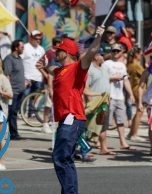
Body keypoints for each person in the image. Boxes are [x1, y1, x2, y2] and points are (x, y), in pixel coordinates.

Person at [51, 26, 104, 194]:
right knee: (64, 158)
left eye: (59, 50)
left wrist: (98, 37)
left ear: (66, 52)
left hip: (72, 117)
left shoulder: (77, 68)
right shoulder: (59, 70)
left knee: (61, 157)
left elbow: (91, 52)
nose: (56, 52)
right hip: (65, 120)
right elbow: (48, 68)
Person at [3, 39, 25, 140]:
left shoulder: (20, 58)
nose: (23, 48)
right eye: (21, 47)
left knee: (14, 112)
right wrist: (8, 90)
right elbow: (7, 74)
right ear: (16, 48)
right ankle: (13, 133)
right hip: (13, 90)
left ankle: (0, 130)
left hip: (20, 90)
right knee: (12, 113)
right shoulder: (9, 59)